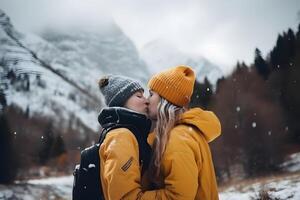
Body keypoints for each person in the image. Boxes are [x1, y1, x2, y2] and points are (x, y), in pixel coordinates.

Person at [140, 65, 222, 200]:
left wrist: (138, 198)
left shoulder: (177, 139)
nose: (147, 100)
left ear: (164, 100)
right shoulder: (183, 133)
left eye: (151, 94)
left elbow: (178, 196)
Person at [97, 75, 152, 200]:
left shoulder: (131, 134)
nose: (146, 100)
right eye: (139, 96)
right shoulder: (121, 136)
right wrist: (170, 195)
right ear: (121, 103)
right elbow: (125, 197)